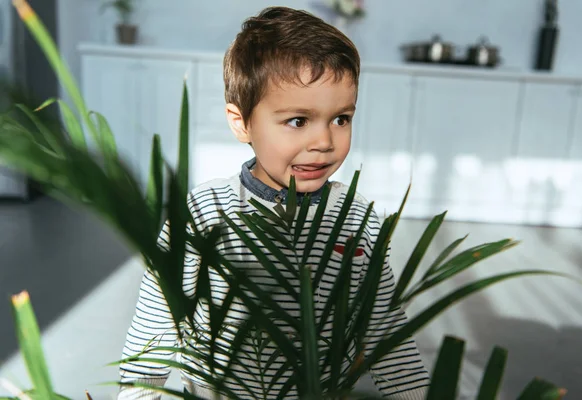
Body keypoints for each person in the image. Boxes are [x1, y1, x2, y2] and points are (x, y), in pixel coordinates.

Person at [118, 6, 429, 399]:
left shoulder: (358, 217)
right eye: (298, 121)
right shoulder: (201, 213)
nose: (324, 142)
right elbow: (154, 329)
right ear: (241, 122)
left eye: (341, 119)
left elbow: (385, 332)